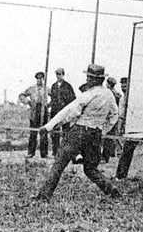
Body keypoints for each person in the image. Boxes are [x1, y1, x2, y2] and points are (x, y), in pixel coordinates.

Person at [32, 64, 120, 201]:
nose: (87, 80)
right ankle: (111, 190)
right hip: (95, 135)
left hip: (79, 132)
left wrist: (48, 127)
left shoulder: (88, 95)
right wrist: (102, 129)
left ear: (95, 79)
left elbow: (69, 112)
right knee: (90, 169)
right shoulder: (109, 95)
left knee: (59, 163)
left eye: (89, 78)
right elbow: (114, 115)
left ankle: (44, 196)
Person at [19, 71, 50, 158]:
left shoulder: (46, 88)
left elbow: (54, 96)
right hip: (34, 112)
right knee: (33, 132)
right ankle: (30, 152)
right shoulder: (32, 88)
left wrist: (49, 105)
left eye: (41, 78)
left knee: (44, 132)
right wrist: (28, 102)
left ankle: (44, 153)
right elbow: (21, 95)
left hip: (44, 112)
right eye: (38, 78)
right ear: (36, 79)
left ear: (43, 79)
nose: (40, 80)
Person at [48, 68, 76, 156]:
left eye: (60, 74)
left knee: (66, 132)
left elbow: (73, 99)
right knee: (55, 132)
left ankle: (64, 153)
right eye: (57, 74)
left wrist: (68, 109)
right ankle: (55, 152)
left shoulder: (68, 86)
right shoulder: (53, 86)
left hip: (65, 113)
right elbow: (52, 99)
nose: (58, 76)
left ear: (63, 75)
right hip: (55, 112)